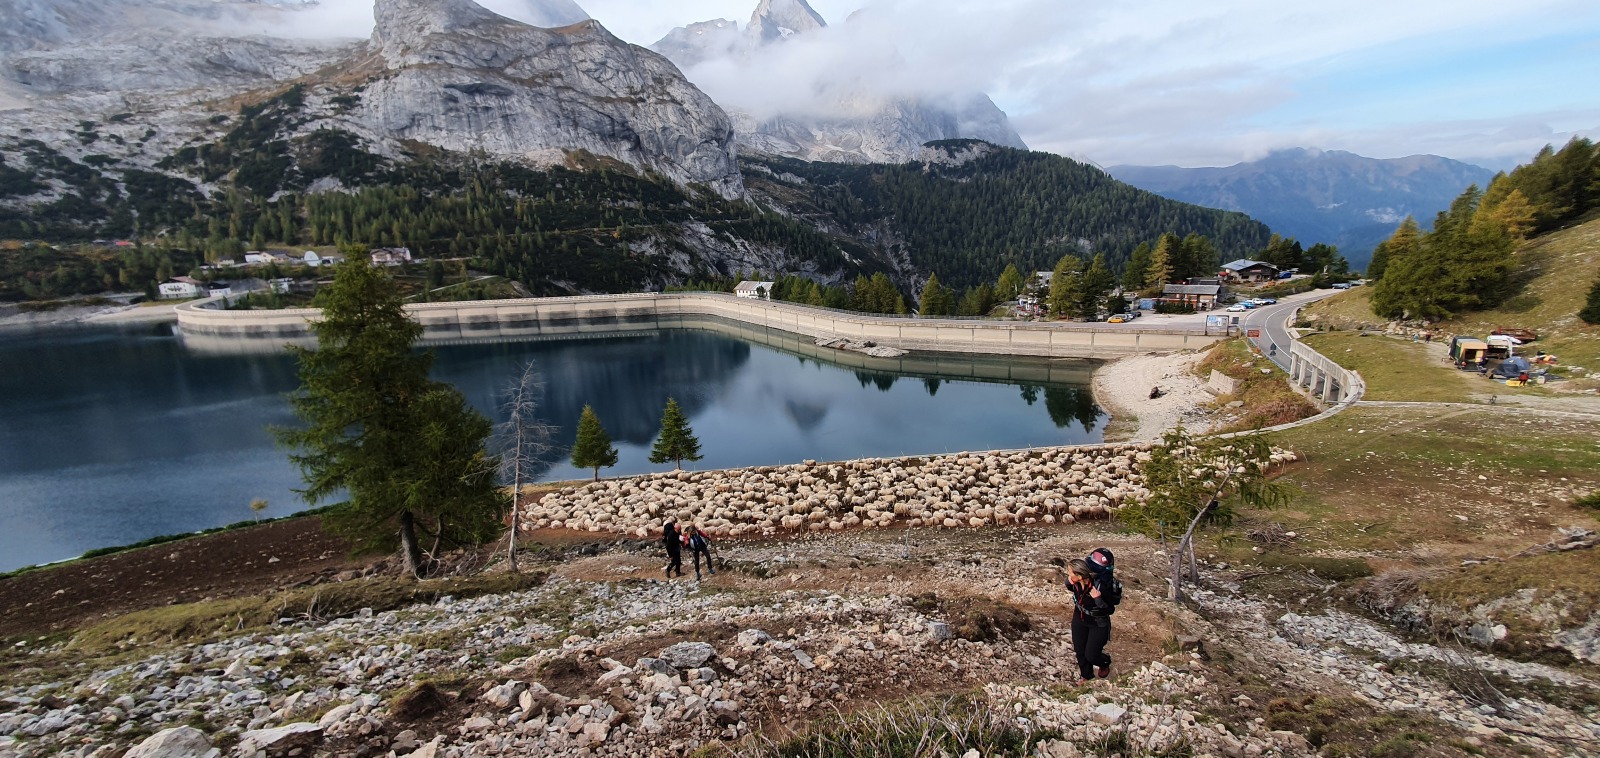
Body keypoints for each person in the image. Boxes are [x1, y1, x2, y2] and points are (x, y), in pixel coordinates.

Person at [1065, 549, 1121, 683]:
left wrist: (1098, 599)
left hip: (1098, 623)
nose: (1068, 576)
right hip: (1079, 618)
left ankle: (1104, 662)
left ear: (1079, 576)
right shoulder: (1076, 583)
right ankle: (1087, 677)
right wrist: (1069, 582)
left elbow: (1110, 609)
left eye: (1070, 573)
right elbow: (1069, 586)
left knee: (1091, 655)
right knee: (1080, 651)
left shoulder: (1100, 588)